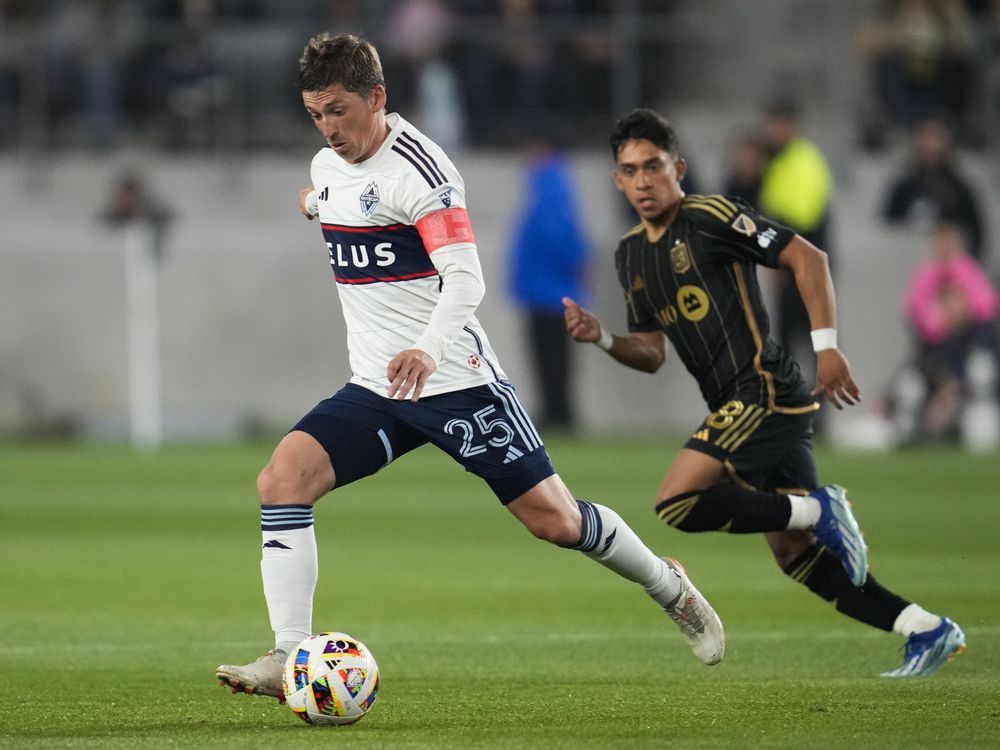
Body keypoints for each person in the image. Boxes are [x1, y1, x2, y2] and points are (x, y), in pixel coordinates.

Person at [215, 34, 724, 702]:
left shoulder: (423, 173)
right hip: (377, 386)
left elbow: (465, 279)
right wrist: (314, 202)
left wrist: (427, 347)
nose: (329, 127)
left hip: (455, 380)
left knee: (557, 523)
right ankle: (287, 655)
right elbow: (329, 198)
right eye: (316, 113)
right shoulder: (330, 166)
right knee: (282, 479)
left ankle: (667, 584)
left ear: (377, 97)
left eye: (339, 109)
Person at [563, 108, 965, 678]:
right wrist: (601, 337)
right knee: (794, 554)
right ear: (618, 180)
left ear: (678, 167)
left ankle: (821, 508)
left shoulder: (710, 216)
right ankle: (924, 628)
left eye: (654, 165)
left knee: (676, 500)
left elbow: (808, 257)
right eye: (630, 170)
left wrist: (826, 346)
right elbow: (651, 353)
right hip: (736, 405)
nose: (644, 180)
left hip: (764, 388)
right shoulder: (632, 255)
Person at [890, 220, 1000, 445]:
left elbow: (985, 310)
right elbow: (915, 313)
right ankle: (910, 431)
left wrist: (958, 315)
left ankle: (979, 423)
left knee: (981, 370)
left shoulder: (969, 270)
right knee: (910, 384)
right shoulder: (926, 273)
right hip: (935, 353)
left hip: (966, 351)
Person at [507, 136, 590, 432]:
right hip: (549, 289)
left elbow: (559, 238)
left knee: (550, 356)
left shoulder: (548, 188)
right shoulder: (552, 187)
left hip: (548, 292)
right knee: (553, 357)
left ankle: (558, 412)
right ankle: (557, 409)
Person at [757, 100, 834, 399]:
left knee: (814, 340)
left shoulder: (805, 161)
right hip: (791, 268)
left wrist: (782, 260)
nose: (773, 132)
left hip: (805, 270)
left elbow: (804, 219)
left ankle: (820, 412)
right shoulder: (776, 162)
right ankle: (792, 407)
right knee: (788, 341)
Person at [882, 116, 987, 262]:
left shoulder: (960, 189)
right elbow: (887, 226)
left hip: (951, 268)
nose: (931, 145)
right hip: (908, 264)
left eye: (936, 140)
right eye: (926, 140)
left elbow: (976, 235)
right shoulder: (903, 187)